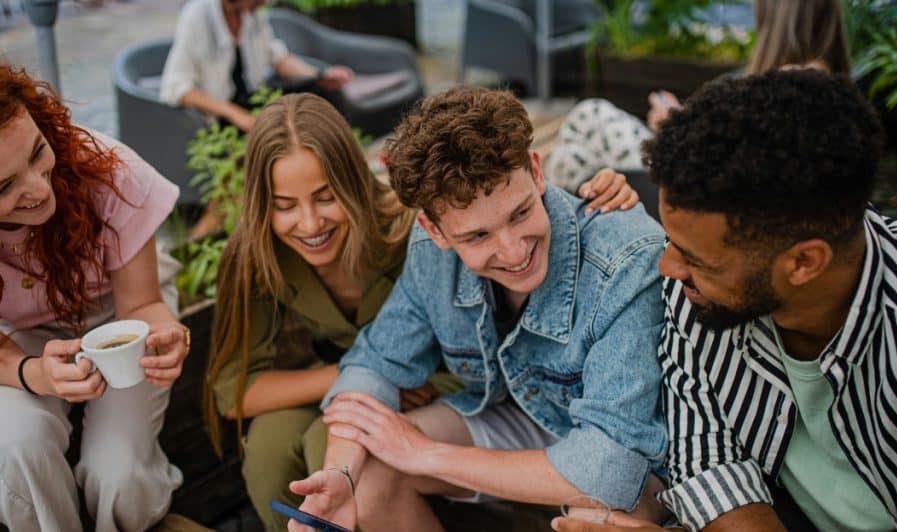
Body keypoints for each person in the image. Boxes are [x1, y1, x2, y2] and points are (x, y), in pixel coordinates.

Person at [203, 92, 640, 531]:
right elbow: (373, 362)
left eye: (521, 212)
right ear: (434, 229)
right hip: (511, 415)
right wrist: (338, 473)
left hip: (621, 456)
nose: (512, 251)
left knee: (596, 519)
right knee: (359, 467)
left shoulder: (620, 260)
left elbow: (611, 469)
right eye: (477, 236)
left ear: (537, 170)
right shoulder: (430, 251)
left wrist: (426, 454)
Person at [554, 71, 897, 532]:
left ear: (804, 262)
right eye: (671, 240)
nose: (667, 267)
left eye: (696, 258)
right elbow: (709, 465)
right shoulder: (697, 291)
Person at [0, 54, 189, 531]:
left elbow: (141, 304)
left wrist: (167, 336)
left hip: (117, 311)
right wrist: (32, 373)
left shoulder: (106, 169)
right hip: (5, 338)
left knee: (118, 472)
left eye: (37, 152)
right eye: (2, 188)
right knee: (19, 445)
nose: (40, 188)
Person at [545, 0, 851, 194]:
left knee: (587, 117)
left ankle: (564, 224)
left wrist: (673, 125)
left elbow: (744, 158)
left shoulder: (795, 79)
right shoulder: (820, 73)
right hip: (699, 164)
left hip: (699, 178)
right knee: (570, 157)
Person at [159, 0, 354, 133]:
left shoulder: (252, 13)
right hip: (221, 113)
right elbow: (176, 87)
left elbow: (277, 57)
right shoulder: (197, 15)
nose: (265, 2)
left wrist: (319, 75)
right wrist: (235, 114)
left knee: (321, 93)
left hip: (254, 98)